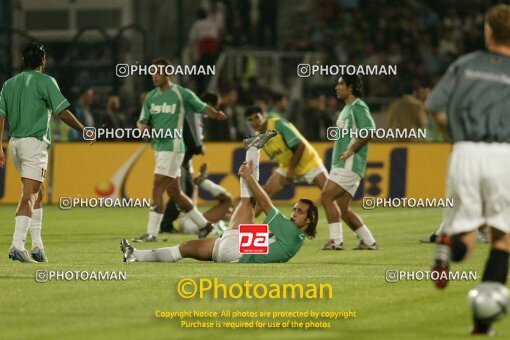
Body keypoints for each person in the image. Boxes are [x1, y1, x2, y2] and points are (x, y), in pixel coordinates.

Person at [428, 4, 510, 335]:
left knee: (466, 240)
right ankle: (482, 323)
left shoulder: (464, 65)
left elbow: (433, 106)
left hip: (464, 153)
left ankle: (448, 243)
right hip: (504, 155)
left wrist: (455, 137)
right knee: (502, 240)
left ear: (488, 31)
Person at [120, 131, 318, 264]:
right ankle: (135, 255)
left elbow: (265, 203)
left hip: (237, 251)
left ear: (308, 221)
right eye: (295, 208)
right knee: (185, 247)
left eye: (299, 212)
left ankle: (252, 149)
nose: (294, 213)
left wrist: (249, 177)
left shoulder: (292, 232)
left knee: (248, 201)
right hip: (235, 249)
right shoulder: (293, 237)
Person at [0, 42, 89, 262]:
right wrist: (83, 129)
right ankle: (17, 246)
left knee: (36, 193)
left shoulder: (9, 84)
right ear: (43, 61)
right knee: (29, 195)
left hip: (15, 145)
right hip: (34, 144)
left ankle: (38, 246)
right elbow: (63, 112)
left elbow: (0, 115)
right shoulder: (46, 81)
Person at [132, 58, 226, 243]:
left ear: (169, 74)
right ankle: (204, 225)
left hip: (173, 146)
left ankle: (152, 233)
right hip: (159, 148)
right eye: (152, 72)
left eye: (158, 72)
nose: (154, 76)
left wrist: (215, 114)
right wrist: (141, 126)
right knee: (175, 193)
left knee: (157, 187)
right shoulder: (151, 96)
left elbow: (201, 107)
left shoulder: (181, 94)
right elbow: (142, 119)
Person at [320, 75, 378, 250]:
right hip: (344, 163)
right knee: (342, 208)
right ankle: (368, 241)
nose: (336, 87)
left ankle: (336, 241)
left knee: (326, 196)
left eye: (341, 84)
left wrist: (352, 149)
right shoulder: (346, 108)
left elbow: (369, 131)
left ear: (351, 87)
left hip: (350, 163)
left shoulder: (358, 106)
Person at [159, 92, 222, 234]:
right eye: (216, 107)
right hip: (177, 157)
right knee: (178, 193)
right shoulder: (194, 113)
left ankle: (169, 223)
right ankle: (166, 224)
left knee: (186, 191)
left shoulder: (196, 114)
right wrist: (199, 146)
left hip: (184, 159)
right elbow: (193, 139)